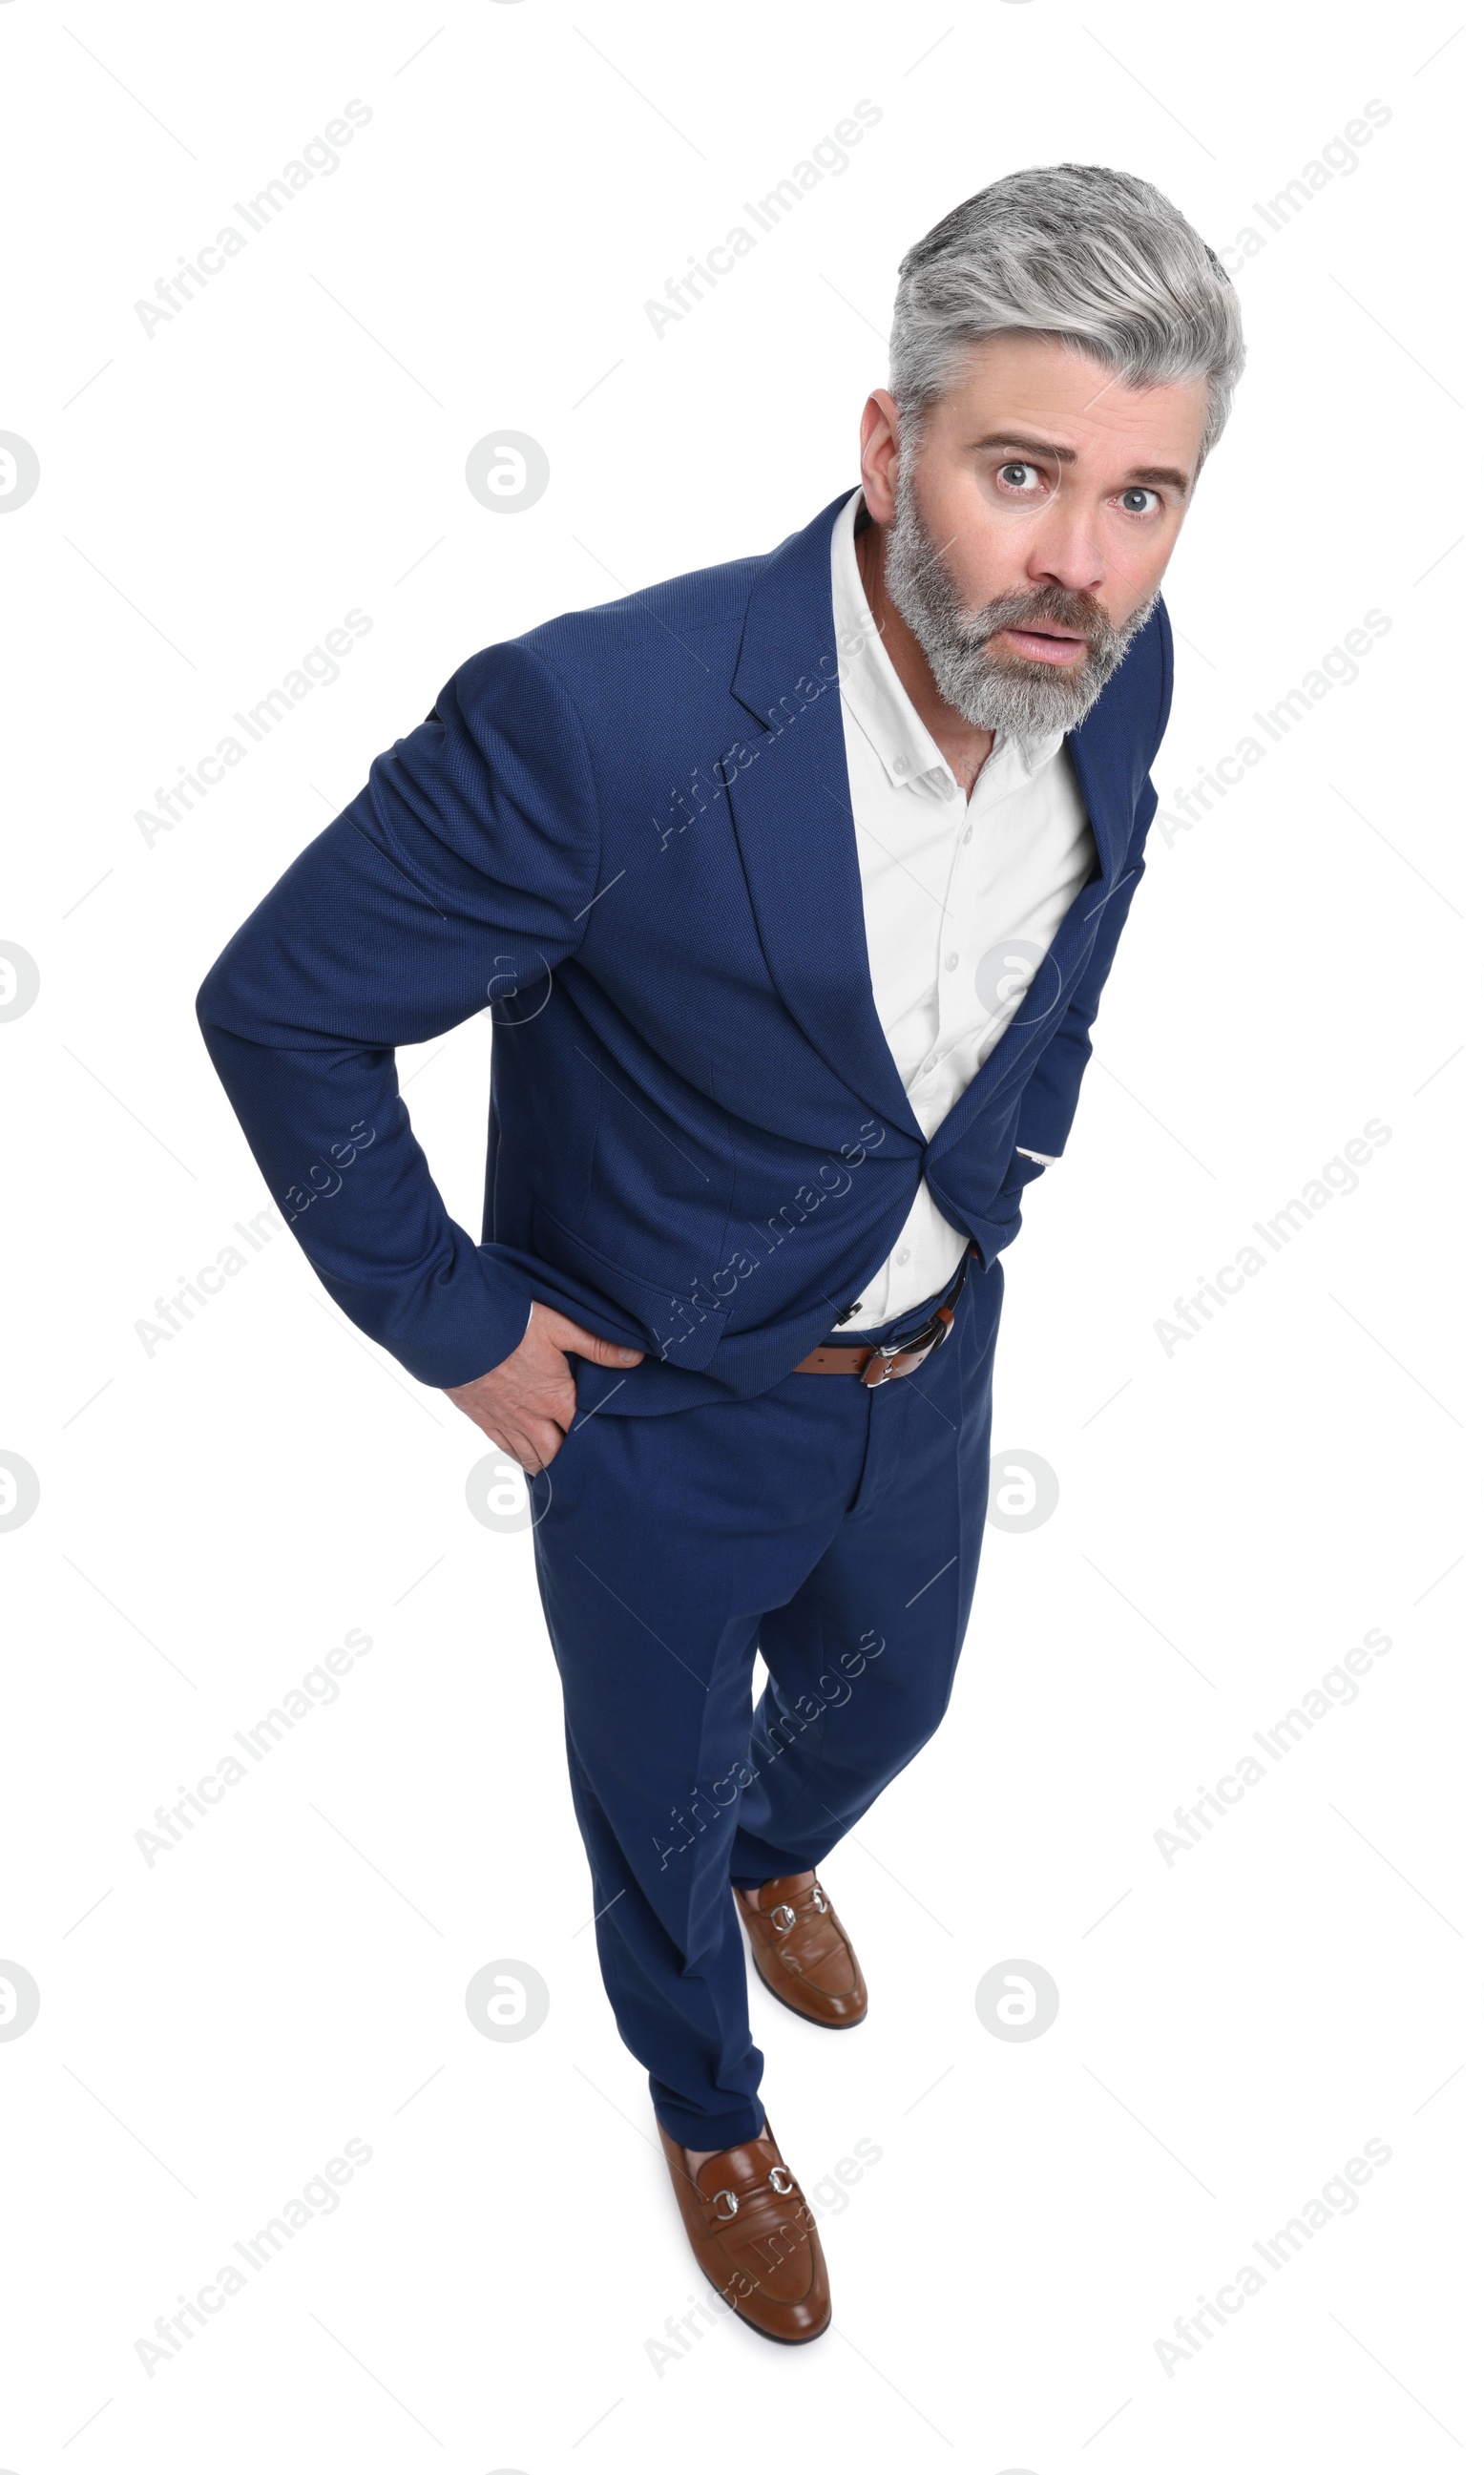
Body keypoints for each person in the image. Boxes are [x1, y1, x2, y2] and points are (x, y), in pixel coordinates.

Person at [198, 162, 1244, 2344]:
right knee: (653, 1808)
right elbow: (283, 1005)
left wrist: (1007, 1169)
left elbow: (1075, 928)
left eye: (1141, 497)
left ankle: (789, 1851)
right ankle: (708, 2099)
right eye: (1023, 473)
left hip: (931, 1363)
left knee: (895, 1708)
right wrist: (460, 1325)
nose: (1075, 562)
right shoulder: (604, 721)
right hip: (655, 1420)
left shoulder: (1113, 681)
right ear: (887, 450)